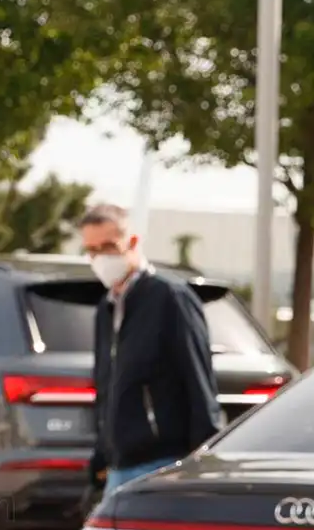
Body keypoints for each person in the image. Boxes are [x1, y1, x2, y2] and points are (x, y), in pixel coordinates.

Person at [81, 204, 222, 496]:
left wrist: (199, 464)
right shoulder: (106, 309)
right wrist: (102, 452)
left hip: (164, 463)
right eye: (92, 250)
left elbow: (198, 381)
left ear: (132, 242)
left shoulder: (170, 298)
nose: (100, 258)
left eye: (108, 246)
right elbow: (107, 385)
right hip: (119, 466)